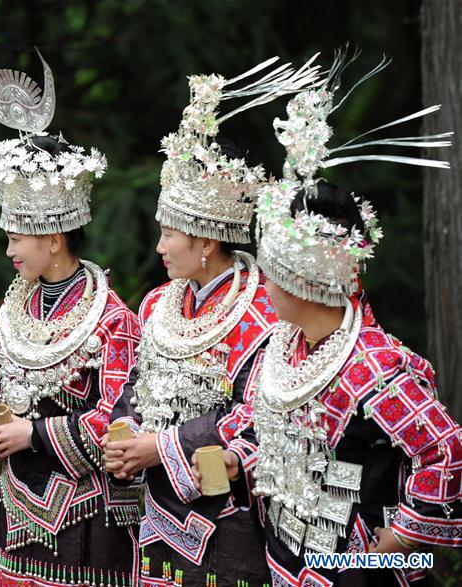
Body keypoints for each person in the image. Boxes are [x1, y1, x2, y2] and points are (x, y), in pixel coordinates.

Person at [213, 59, 461, 586]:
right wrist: (238, 460)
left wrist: (399, 542)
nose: (263, 286)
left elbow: (445, 451)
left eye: (271, 276)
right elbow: (268, 428)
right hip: (282, 554)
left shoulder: (374, 366)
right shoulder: (284, 344)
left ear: (302, 283)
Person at [102, 57, 321, 587]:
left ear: (204, 242)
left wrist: (162, 447)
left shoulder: (264, 310)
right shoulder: (157, 303)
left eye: (168, 235)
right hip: (157, 507)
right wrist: (125, 438)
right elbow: (138, 384)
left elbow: (262, 411)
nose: (158, 247)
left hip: (227, 511)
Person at [0, 29, 142, 586]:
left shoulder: (112, 318)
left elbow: (120, 418)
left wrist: (32, 435)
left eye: (16, 238)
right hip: (18, 505)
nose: (8, 250)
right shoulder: (14, 305)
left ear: (53, 239)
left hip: (86, 513)